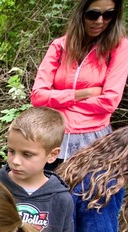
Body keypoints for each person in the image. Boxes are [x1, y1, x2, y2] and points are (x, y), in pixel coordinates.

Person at [31, 0, 128, 167]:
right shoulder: (60, 46)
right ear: (81, 14)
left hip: (92, 139)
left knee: (86, 190)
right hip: (53, 134)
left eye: (108, 15)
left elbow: (109, 102)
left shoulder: (119, 47)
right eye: (93, 14)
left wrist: (56, 99)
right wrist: (84, 94)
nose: (100, 21)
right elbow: (38, 96)